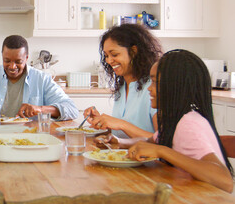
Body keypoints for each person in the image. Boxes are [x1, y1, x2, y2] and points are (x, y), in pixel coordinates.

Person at [98, 50, 233, 193]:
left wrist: (163, 151)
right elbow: (153, 141)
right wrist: (120, 142)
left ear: (177, 86)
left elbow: (225, 181)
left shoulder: (188, 124)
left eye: (155, 82)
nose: (149, 88)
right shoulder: (176, 119)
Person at [0, 35, 78, 121]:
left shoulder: (42, 79)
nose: (12, 66)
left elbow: (72, 110)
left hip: (30, 141)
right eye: (7, 60)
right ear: (2, 56)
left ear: (27, 58)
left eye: (18, 61)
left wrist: (40, 109)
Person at [84, 24, 162, 138]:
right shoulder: (122, 86)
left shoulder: (153, 88)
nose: (109, 60)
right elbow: (121, 134)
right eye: (106, 56)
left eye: (114, 54)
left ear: (133, 51)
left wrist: (121, 124)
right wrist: (102, 122)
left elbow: (162, 141)